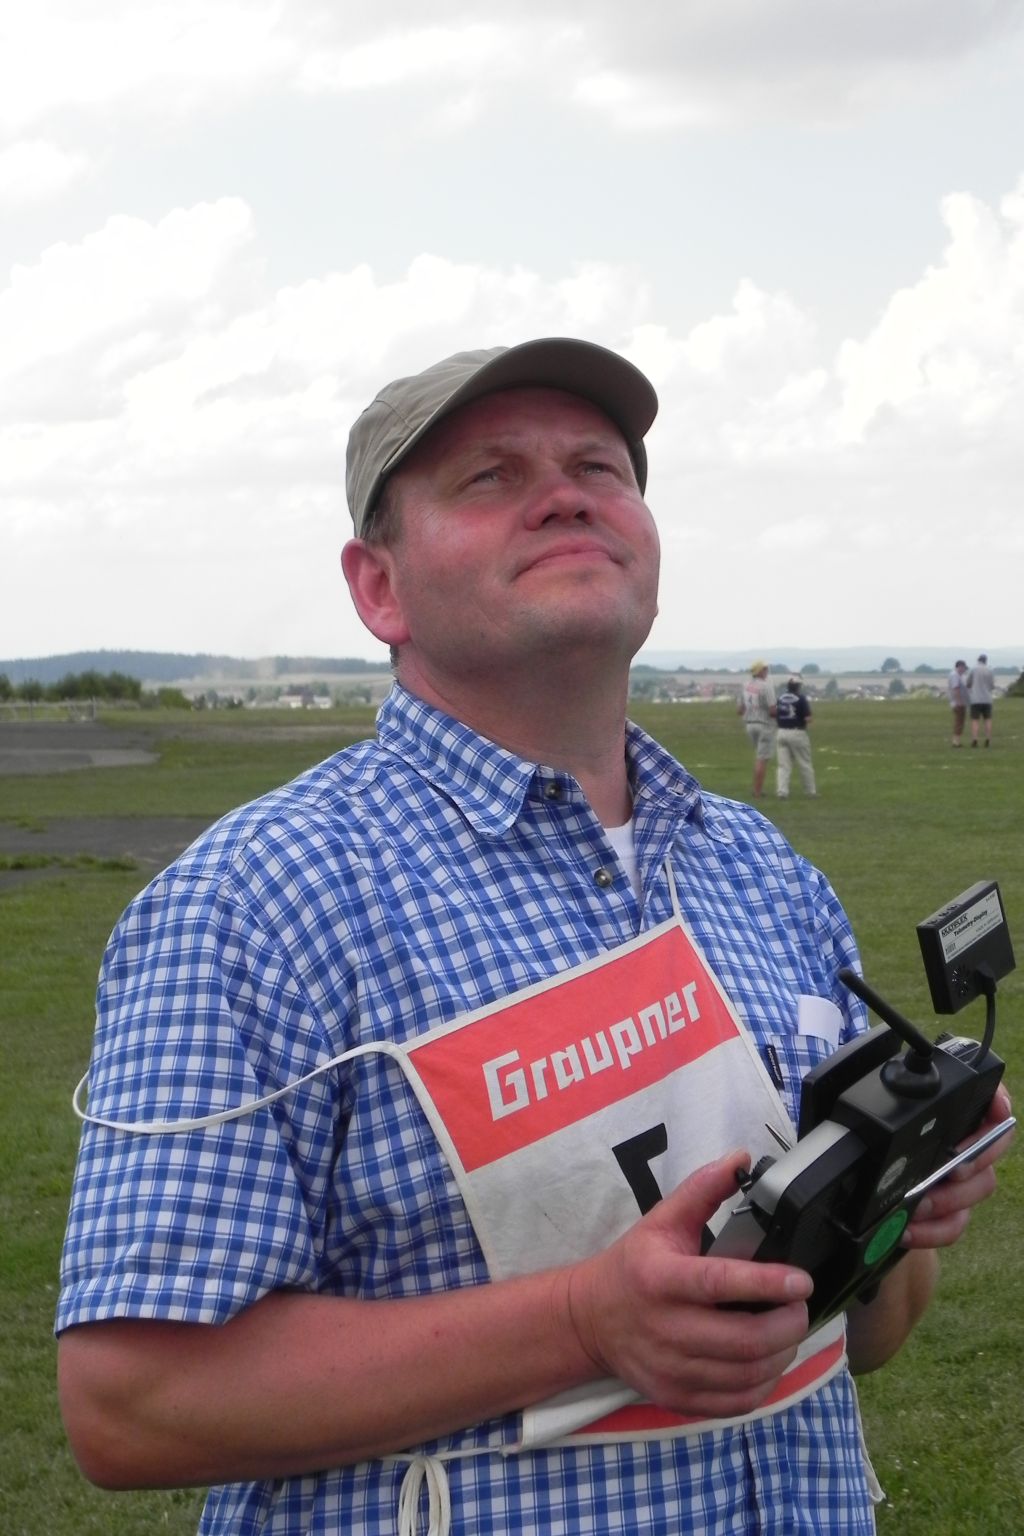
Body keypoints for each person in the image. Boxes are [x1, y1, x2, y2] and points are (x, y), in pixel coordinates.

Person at [56, 338, 1013, 1536]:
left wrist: (895, 1203)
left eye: (598, 469)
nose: (565, 496)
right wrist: (580, 1321)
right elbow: (130, 1404)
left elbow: (867, 1339)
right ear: (379, 589)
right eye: (491, 477)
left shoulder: (771, 878)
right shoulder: (255, 901)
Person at [737, 659, 777, 798]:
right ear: (760, 671)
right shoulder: (766, 686)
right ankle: (758, 791)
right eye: (765, 669)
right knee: (762, 759)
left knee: (759, 757)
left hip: (749, 724)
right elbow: (772, 710)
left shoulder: (745, 685)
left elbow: (740, 710)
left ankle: (758, 789)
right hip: (764, 725)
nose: (767, 671)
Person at [775, 676, 816, 798]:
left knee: (783, 765)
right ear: (798, 686)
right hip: (797, 732)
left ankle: (782, 791)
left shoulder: (780, 698)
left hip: (781, 732)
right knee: (804, 763)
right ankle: (810, 791)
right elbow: (808, 718)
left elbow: (775, 714)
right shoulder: (801, 698)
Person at [966, 653, 996, 747]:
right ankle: (988, 739)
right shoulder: (990, 670)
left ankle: (975, 739)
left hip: (975, 699)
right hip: (987, 699)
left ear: (978, 660)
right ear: (986, 661)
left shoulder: (973, 669)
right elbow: (992, 686)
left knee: (975, 720)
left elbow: (968, 683)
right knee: (987, 719)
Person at [947, 660, 969, 748]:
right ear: (960, 667)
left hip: (961, 702)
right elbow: (956, 689)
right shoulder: (955, 675)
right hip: (958, 703)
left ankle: (957, 740)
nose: (964, 670)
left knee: (960, 722)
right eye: (964, 668)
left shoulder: (959, 676)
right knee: (959, 722)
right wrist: (959, 701)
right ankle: (956, 741)